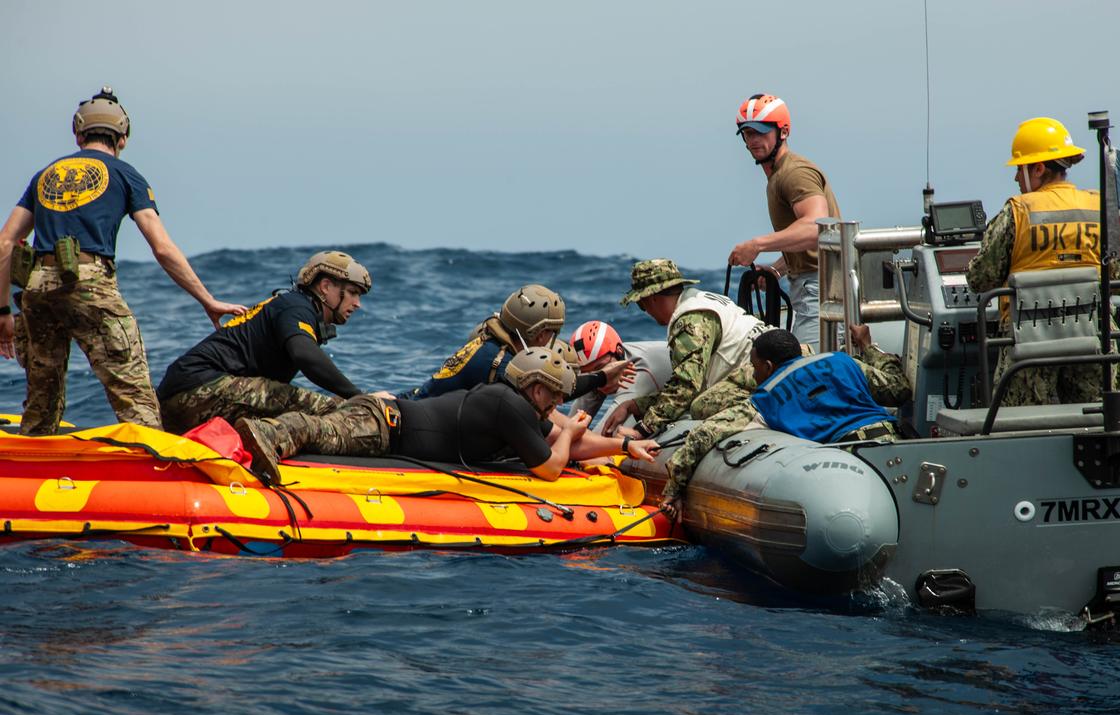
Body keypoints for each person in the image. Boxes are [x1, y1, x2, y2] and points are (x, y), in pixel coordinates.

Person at [0, 86, 246, 434]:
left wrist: (2, 313)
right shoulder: (126, 174)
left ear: (78, 133)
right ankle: (152, 467)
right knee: (135, 398)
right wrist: (208, 300)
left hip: (37, 288)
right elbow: (162, 248)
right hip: (89, 284)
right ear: (124, 137)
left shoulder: (44, 176)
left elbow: (5, 242)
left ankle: (32, 464)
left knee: (42, 399)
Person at [235, 346, 659, 485]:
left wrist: (624, 445)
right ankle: (264, 433)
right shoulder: (508, 405)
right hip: (386, 425)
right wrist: (569, 436)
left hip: (388, 420)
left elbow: (570, 442)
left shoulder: (512, 403)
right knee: (319, 431)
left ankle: (260, 431)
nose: (557, 407)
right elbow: (551, 467)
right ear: (536, 388)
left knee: (323, 429)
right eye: (555, 397)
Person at [966, 116, 1120, 406]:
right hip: (1093, 339)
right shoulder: (1099, 206)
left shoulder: (1017, 212)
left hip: (1029, 347)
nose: (1015, 178)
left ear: (1038, 168)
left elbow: (980, 279)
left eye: (1019, 169)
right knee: (1099, 416)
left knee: (1025, 428)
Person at [659, 326, 912, 518]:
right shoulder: (843, 362)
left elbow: (704, 435)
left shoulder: (765, 398)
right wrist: (869, 348)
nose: (755, 373)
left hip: (851, 466)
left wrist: (674, 490)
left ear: (768, 367)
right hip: (897, 448)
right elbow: (899, 389)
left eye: (754, 367)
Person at [156, 251, 376, 434]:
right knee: (336, 410)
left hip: (177, 396)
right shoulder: (297, 307)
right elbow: (305, 354)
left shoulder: (290, 306)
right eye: (353, 293)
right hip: (201, 387)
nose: (357, 304)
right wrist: (358, 396)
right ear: (326, 286)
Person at [727, 93, 841, 351]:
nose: (753, 140)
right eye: (747, 133)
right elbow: (807, 245)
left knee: (804, 371)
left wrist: (757, 245)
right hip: (811, 286)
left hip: (822, 290)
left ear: (783, 132)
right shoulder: (778, 176)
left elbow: (816, 226)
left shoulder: (794, 173)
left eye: (761, 132)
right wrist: (777, 269)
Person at [604, 258, 766, 439]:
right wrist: (634, 405)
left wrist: (642, 430)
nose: (645, 311)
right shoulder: (703, 300)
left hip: (760, 380)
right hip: (770, 367)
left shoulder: (690, 321)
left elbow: (686, 389)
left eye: (641, 304)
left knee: (700, 407)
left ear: (652, 297)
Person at [399, 284, 567, 399]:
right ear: (540, 334)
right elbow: (541, 421)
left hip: (413, 400)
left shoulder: (489, 344)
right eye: (552, 332)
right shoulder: (504, 366)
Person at [567, 320, 671, 428]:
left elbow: (605, 435)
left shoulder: (637, 371)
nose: (599, 378)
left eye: (601, 367)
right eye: (587, 373)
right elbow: (568, 427)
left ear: (619, 352)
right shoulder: (598, 372)